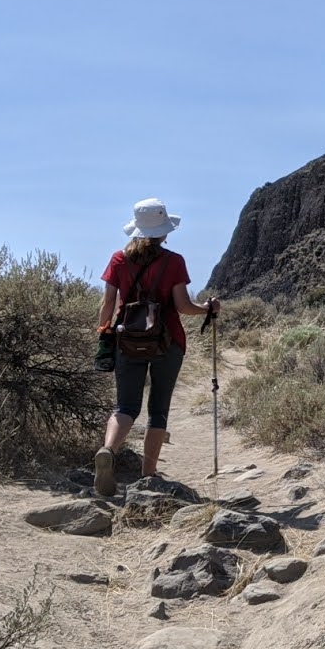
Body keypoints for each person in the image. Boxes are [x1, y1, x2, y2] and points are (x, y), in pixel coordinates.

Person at [94, 198, 218, 498]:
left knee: (125, 407)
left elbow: (108, 303)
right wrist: (208, 309)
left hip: (127, 339)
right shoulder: (173, 262)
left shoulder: (118, 260)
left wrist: (104, 334)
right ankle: (147, 478)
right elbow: (183, 307)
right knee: (158, 410)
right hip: (168, 341)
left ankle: (108, 450)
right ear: (163, 231)